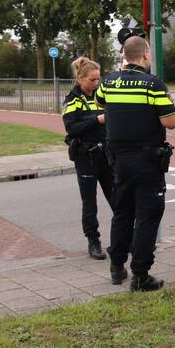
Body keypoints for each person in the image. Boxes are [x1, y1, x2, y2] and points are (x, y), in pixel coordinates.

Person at [96, 36, 175, 292]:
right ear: (144, 54)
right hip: (147, 160)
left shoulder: (108, 82)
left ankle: (116, 266)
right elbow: (170, 121)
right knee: (147, 215)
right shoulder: (153, 85)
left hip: (118, 161)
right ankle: (140, 275)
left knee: (122, 213)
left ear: (124, 55)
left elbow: (100, 103)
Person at [62, 56, 115, 260]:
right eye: (92, 80)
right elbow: (72, 127)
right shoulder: (72, 99)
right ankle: (93, 241)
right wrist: (96, 119)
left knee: (116, 197)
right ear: (80, 78)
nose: (96, 83)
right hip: (86, 156)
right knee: (89, 202)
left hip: (106, 154)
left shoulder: (101, 96)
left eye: (98, 79)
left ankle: (123, 238)